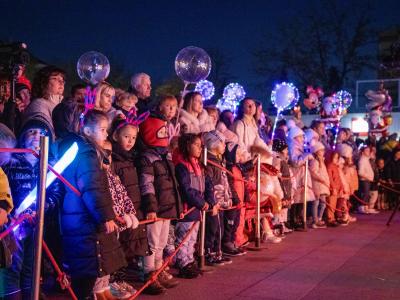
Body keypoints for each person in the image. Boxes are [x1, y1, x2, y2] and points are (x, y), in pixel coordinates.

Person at [58, 110, 126, 299]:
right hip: (84, 219)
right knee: (87, 274)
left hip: (78, 216)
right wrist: (105, 216)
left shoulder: (84, 151)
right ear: (87, 130)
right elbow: (92, 187)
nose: (106, 134)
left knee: (87, 273)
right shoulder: (87, 155)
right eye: (102, 130)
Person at [0, 119, 63, 299]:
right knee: (12, 263)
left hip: (37, 223)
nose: (37, 136)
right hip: (12, 224)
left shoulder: (50, 165)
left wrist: (40, 210)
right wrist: (10, 214)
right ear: (22, 137)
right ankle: (11, 294)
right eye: (31, 132)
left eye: (41, 133)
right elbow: (5, 191)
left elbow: (55, 195)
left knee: (31, 263)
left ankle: (30, 292)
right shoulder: (10, 161)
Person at [137, 113, 183, 295]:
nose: (165, 134)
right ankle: (149, 273)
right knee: (152, 242)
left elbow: (173, 182)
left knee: (162, 242)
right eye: (162, 131)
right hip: (155, 208)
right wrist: (150, 207)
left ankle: (158, 269)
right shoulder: (147, 158)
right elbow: (146, 184)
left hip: (166, 206)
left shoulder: (166, 156)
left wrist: (177, 205)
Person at [96, 140, 138, 299]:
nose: (108, 157)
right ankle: (99, 289)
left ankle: (106, 285)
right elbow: (104, 201)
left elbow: (124, 195)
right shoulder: (98, 177)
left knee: (112, 257)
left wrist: (130, 212)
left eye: (109, 153)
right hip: (108, 222)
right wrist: (114, 215)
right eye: (103, 153)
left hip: (118, 224)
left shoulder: (113, 176)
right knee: (103, 259)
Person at [174, 133, 214, 278]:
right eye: (196, 145)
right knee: (184, 237)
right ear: (187, 146)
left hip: (197, 207)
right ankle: (183, 263)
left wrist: (210, 201)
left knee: (192, 238)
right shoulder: (181, 166)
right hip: (188, 208)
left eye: (200, 145)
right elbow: (185, 189)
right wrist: (201, 202)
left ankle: (190, 261)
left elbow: (208, 184)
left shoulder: (199, 165)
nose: (200, 148)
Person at [203, 130, 233, 265]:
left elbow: (224, 181)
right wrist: (213, 202)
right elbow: (210, 184)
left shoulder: (220, 160)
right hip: (214, 202)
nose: (225, 145)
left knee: (218, 227)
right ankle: (210, 253)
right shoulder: (210, 162)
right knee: (212, 228)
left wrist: (228, 197)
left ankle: (218, 251)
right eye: (222, 142)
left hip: (220, 201)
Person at [23, 66, 66, 140]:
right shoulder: (39, 105)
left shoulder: (59, 105)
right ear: (43, 83)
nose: (61, 82)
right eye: (55, 78)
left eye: (62, 79)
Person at [309, 141, 329, 229]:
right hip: (317, 184)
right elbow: (313, 173)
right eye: (321, 150)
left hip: (323, 186)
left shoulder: (322, 162)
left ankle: (319, 218)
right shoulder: (314, 162)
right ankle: (315, 219)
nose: (323, 152)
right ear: (317, 152)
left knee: (323, 203)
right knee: (316, 203)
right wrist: (321, 179)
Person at [326, 151, 342, 226]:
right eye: (334, 157)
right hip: (333, 188)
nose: (335, 159)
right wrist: (333, 188)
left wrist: (341, 187)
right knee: (331, 204)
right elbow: (330, 178)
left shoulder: (335, 166)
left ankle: (333, 218)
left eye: (336, 158)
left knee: (334, 204)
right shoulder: (330, 166)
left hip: (337, 187)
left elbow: (338, 178)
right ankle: (330, 219)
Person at [357, 146, 374, 214]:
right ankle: (362, 208)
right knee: (365, 194)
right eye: (366, 150)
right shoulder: (362, 160)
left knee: (366, 194)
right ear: (363, 152)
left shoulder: (366, 159)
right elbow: (360, 172)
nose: (368, 152)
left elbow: (371, 156)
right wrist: (368, 177)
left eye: (369, 150)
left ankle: (365, 207)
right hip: (364, 180)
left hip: (367, 180)